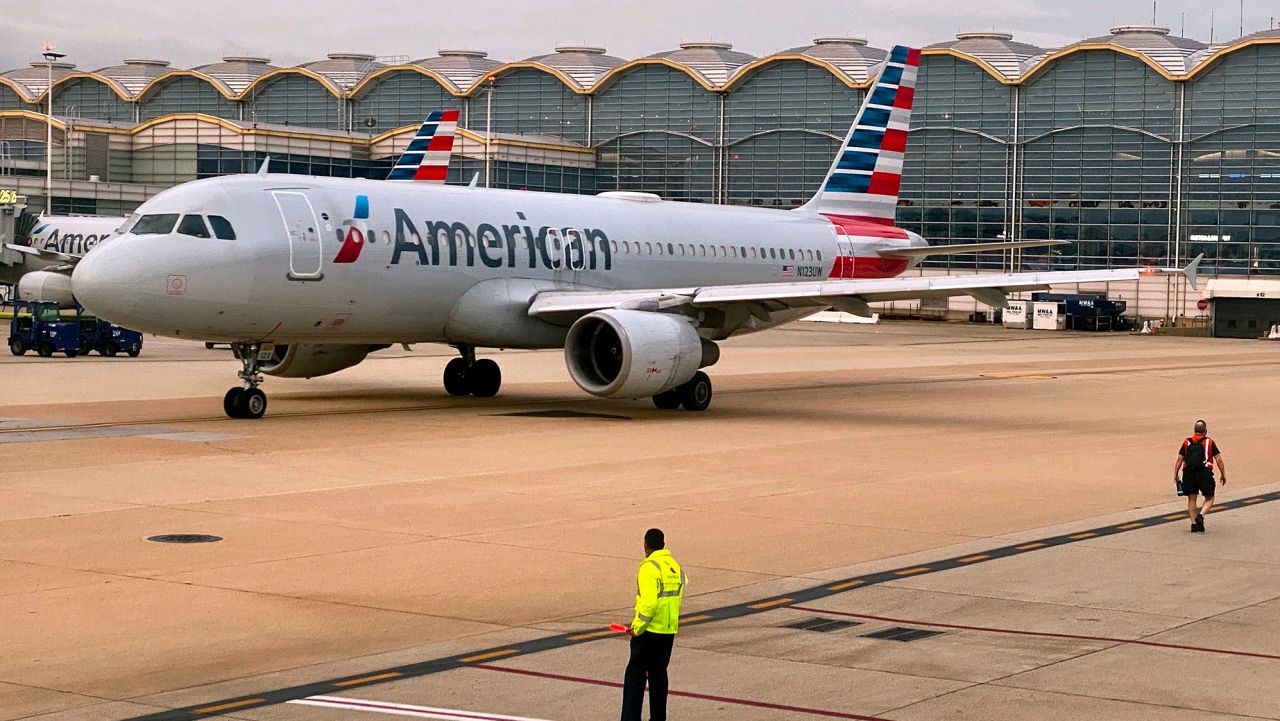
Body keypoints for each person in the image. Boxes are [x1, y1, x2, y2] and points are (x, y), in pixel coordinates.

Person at [621, 528, 687, 721]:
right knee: (659, 676)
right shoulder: (674, 566)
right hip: (668, 631)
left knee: (635, 676)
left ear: (646, 545)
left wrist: (637, 627)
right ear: (663, 545)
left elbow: (649, 603)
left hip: (648, 632)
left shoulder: (649, 568)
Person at [1174, 420, 1226, 532]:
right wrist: (1223, 474)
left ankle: (1193, 524)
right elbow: (1219, 460)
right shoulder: (1210, 442)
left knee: (1192, 498)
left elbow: (1179, 459)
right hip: (1204, 472)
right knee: (1210, 497)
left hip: (1188, 472)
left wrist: (1176, 473)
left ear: (1194, 430)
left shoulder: (1187, 442)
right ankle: (1201, 516)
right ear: (1205, 431)